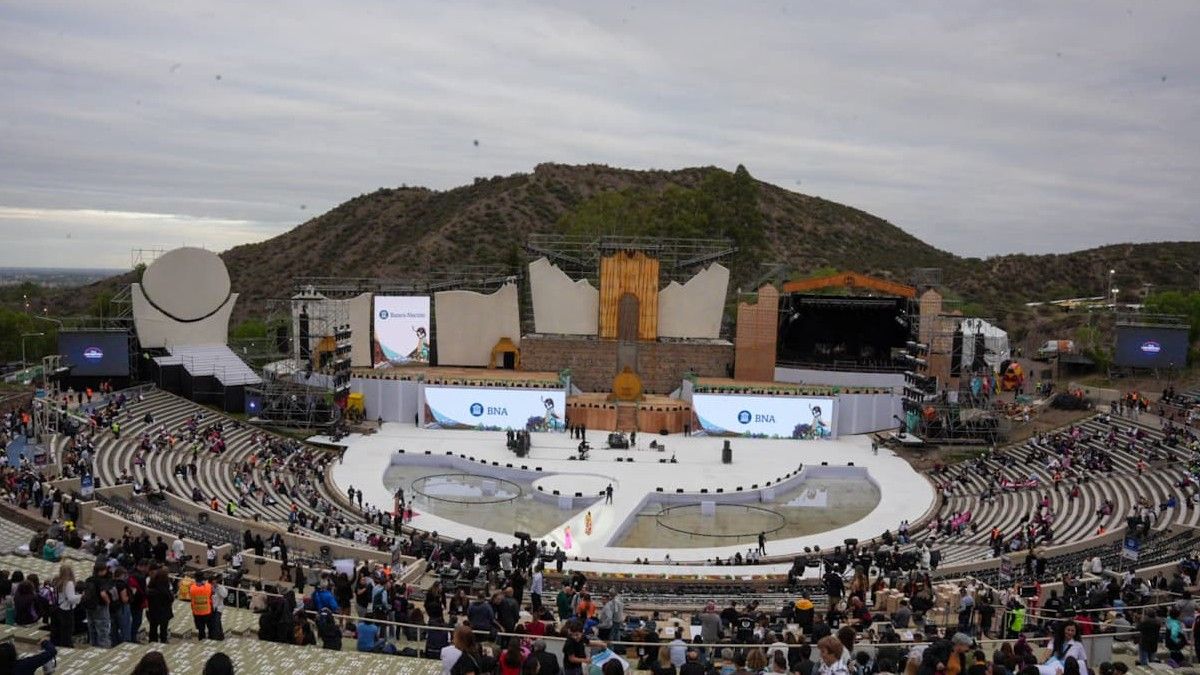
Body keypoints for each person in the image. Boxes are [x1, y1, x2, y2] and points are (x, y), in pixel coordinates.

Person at [51, 563, 82, 647]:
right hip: (67, 610)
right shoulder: (69, 583)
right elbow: (71, 598)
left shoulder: (56, 581)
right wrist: (81, 596)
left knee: (59, 631)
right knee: (67, 632)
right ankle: (67, 647)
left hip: (58, 608)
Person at [146, 569, 174, 644]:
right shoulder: (165, 591)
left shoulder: (150, 590)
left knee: (153, 629)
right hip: (164, 612)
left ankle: (152, 643)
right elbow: (171, 599)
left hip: (153, 612)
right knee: (163, 630)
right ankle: (163, 643)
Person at [190, 571, 215, 640]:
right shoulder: (208, 586)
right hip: (207, 611)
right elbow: (211, 592)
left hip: (197, 611)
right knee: (210, 628)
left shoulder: (192, 588)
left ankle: (201, 639)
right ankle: (211, 639)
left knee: (201, 630)